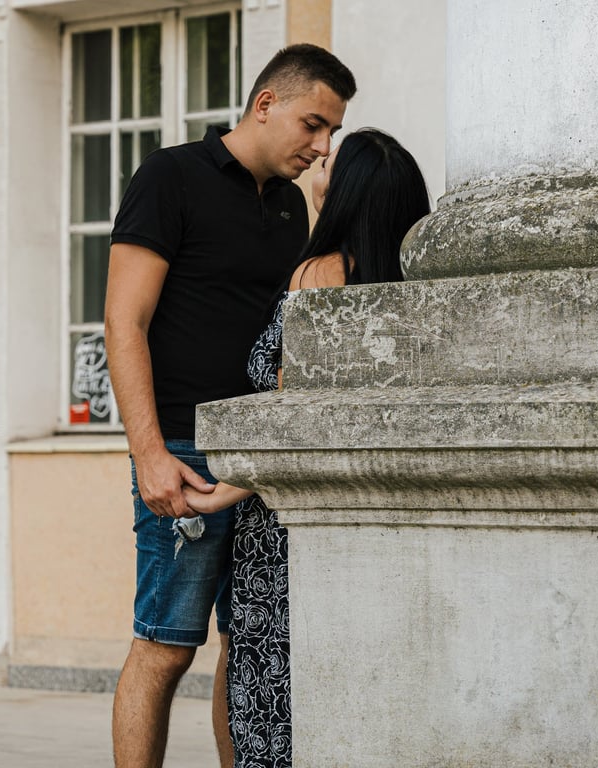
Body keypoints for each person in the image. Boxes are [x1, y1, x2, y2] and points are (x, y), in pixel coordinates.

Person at [104, 44, 356, 768]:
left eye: (333, 132)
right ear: (266, 104)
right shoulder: (171, 175)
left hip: (260, 462)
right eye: (313, 124)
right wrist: (150, 454)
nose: (322, 146)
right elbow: (124, 321)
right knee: (164, 646)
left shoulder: (289, 205)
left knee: (243, 645)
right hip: (183, 454)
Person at [185, 128, 432, 767]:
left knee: (273, 692)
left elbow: (295, 420)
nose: (317, 163)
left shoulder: (318, 275)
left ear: (345, 193)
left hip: (284, 521)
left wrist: (223, 491)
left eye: (330, 164)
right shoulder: (407, 287)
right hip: (373, 516)